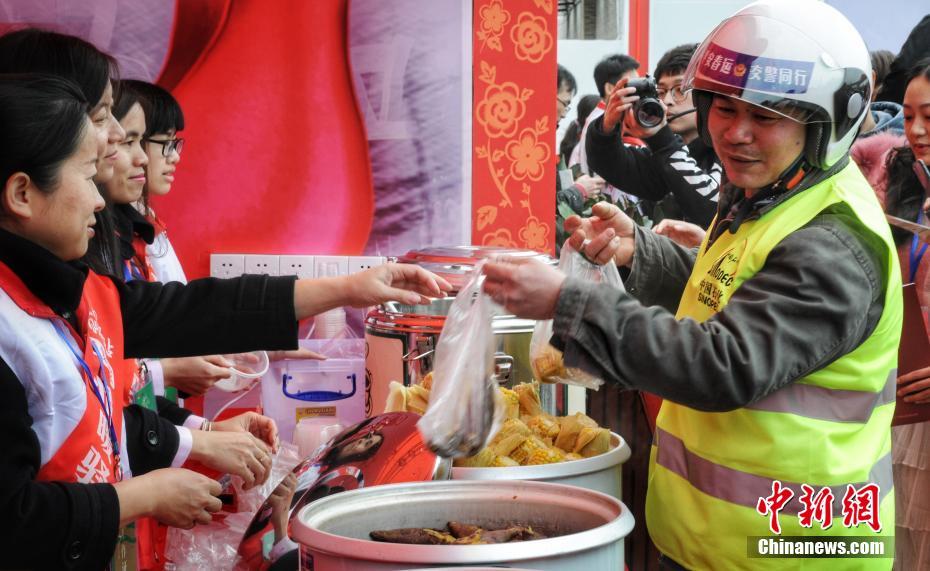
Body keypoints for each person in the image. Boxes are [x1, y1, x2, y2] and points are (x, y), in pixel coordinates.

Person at [483, 2, 900, 569]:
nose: (736, 134)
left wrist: (568, 301)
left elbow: (725, 362)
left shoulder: (832, 242)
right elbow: (736, 298)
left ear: (828, 123)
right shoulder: (772, 191)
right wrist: (642, 253)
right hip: (715, 541)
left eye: (769, 116)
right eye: (723, 108)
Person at [0, 74, 449, 569]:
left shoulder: (72, 290)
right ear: (22, 193)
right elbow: (14, 517)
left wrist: (347, 288)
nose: (100, 197)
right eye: (88, 174)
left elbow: (190, 313)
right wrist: (147, 493)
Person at [881, 58, 930, 570]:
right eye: (910, 115)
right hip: (910, 401)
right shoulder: (914, 191)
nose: (914, 131)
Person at [586, 43, 722, 227]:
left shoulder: (728, 152)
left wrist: (662, 140)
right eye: (661, 91)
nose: (667, 101)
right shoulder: (662, 154)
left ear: (707, 95)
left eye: (680, 90)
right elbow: (610, 163)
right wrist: (608, 125)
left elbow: (712, 210)